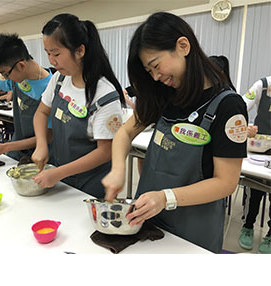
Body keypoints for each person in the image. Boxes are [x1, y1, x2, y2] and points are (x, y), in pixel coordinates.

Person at [102, 12, 248, 253]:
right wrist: (118, 171)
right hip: (148, 216)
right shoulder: (163, 94)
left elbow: (226, 183)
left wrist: (166, 198)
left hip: (193, 228)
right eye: (149, 71)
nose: (156, 77)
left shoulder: (228, 106)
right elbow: (125, 134)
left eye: (156, 65)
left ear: (183, 46)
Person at [32, 13, 125, 198]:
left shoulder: (104, 94)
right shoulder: (59, 79)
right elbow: (41, 113)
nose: (51, 61)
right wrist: (41, 144)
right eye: (48, 53)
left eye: (57, 53)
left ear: (80, 51)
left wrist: (59, 173)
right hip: (61, 176)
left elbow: (105, 152)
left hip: (90, 184)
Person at [0, 33, 52, 161]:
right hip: (17, 149)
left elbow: (49, 136)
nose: (5, 78)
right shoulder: (13, 75)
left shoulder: (50, 86)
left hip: (42, 155)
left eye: (6, 74)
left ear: (21, 65)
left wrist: (5, 147)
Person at [238, 76, 271, 254]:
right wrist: (245, 127)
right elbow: (240, 108)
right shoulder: (263, 85)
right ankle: (248, 225)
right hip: (259, 149)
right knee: (255, 190)